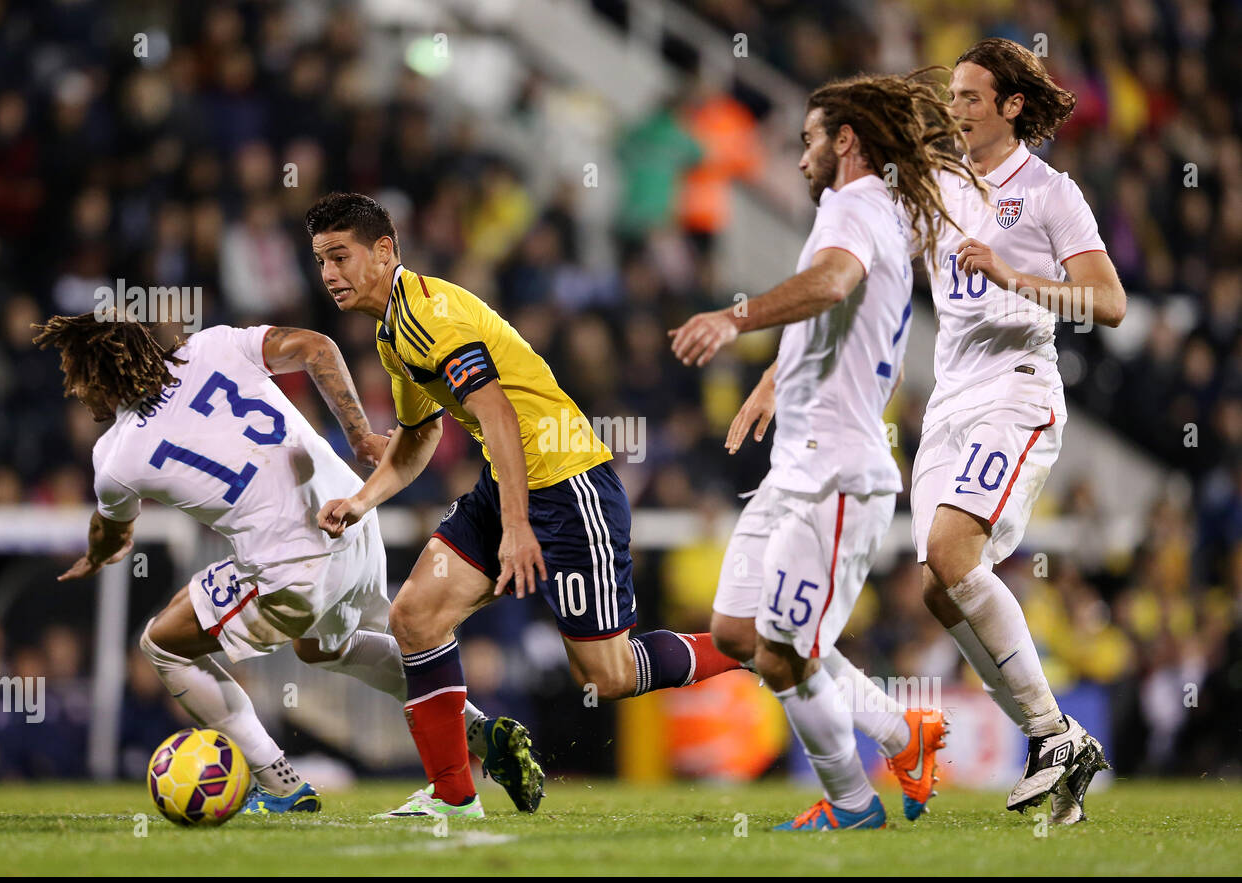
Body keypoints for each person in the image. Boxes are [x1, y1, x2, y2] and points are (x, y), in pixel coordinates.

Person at [305, 191, 744, 819]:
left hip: (569, 488)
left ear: (383, 251)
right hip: (509, 483)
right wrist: (363, 498)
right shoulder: (391, 331)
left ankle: (752, 642)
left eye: (340, 257)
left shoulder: (432, 316)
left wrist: (516, 528)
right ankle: (454, 798)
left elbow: (499, 415)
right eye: (320, 260)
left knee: (606, 676)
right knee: (415, 618)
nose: (328, 275)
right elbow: (422, 431)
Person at [37, 309, 544, 815]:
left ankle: (279, 783)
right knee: (324, 648)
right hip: (353, 516)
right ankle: (484, 733)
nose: (74, 392)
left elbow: (111, 532)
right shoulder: (213, 344)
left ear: (99, 377)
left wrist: (97, 555)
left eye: (75, 377)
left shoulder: (115, 457)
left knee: (163, 645)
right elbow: (317, 347)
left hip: (290, 564)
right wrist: (361, 435)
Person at [669, 73, 979, 830]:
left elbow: (833, 282)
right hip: (799, 466)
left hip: (837, 474)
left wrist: (737, 319)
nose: (800, 154)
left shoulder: (854, 207)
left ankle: (851, 803)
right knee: (740, 633)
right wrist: (780, 376)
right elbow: (862, 332)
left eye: (809, 138)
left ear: (845, 142)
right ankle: (906, 733)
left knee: (782, 653)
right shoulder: (878, 215)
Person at [911, 39, 1124, 823]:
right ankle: (1059, 740)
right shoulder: (940, 183)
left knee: (949, 552)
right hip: (947, 400)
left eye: (972, 97)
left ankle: (1050, 734)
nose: (957, 109)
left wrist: (1018, 280)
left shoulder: (1049, 192)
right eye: (954, 96)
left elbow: (1108, 302)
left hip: (1017, 388)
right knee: (938, 588)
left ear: (1011, 107)